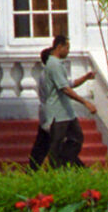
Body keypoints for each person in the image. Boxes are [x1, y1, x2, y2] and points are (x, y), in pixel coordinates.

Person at [26, 31, 97, 169]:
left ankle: (66, 165)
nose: (68, 51)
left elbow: (69, 84)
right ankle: (58, 167)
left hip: (65, 112)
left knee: (72, 140)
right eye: (67, 48)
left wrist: (85, 77)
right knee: (55, 145)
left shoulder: (57, 65)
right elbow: (64, 88)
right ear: (59, 47)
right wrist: (86, 102)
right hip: (57, 114)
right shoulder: (54, 66)